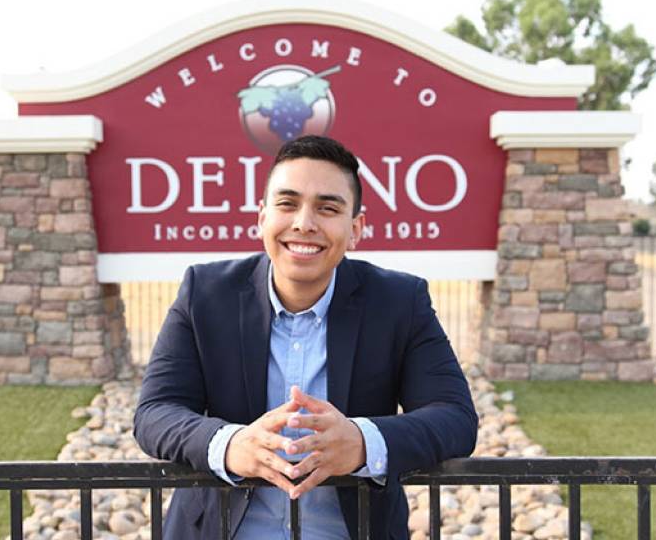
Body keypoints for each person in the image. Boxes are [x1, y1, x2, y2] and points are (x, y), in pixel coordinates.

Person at [133, 135, 478, 539]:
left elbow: (456, 418)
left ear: (355, 229)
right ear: (261, 217)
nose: (304, 223)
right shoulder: (204, 293)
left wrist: (364, 442)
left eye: (327, 208)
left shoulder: (401, 301)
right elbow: (155, 412)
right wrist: (230, 445)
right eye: (287, 203)